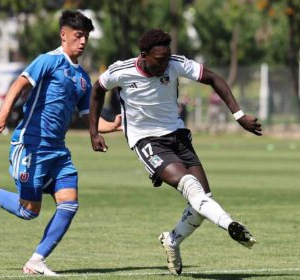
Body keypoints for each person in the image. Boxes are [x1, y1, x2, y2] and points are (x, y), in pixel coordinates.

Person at [89, 29, 262, 276]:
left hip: (177, 135)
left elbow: (214, 78)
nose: (164, 65)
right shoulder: (121, 71)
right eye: (159, 60)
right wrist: (94, 131)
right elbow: (97, 90)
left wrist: (239, 115)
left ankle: (171, 240)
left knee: (203, 201)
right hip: (146, 140)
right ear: (144, 55)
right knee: (191, 187)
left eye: (167, 58)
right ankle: (230, 224)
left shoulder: (175, 64)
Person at [0, 10, 121, 276]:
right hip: (31, 145)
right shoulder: (48, 61)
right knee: (29, 212)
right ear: (64, 35)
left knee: (69, 204)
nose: (82, 42)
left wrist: (113, 125)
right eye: (78, 36)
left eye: (86, 37)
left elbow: (89, 119)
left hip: (58, 151)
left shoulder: (82, 78)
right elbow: (18, 84)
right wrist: (2, 115)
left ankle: (36, 260)